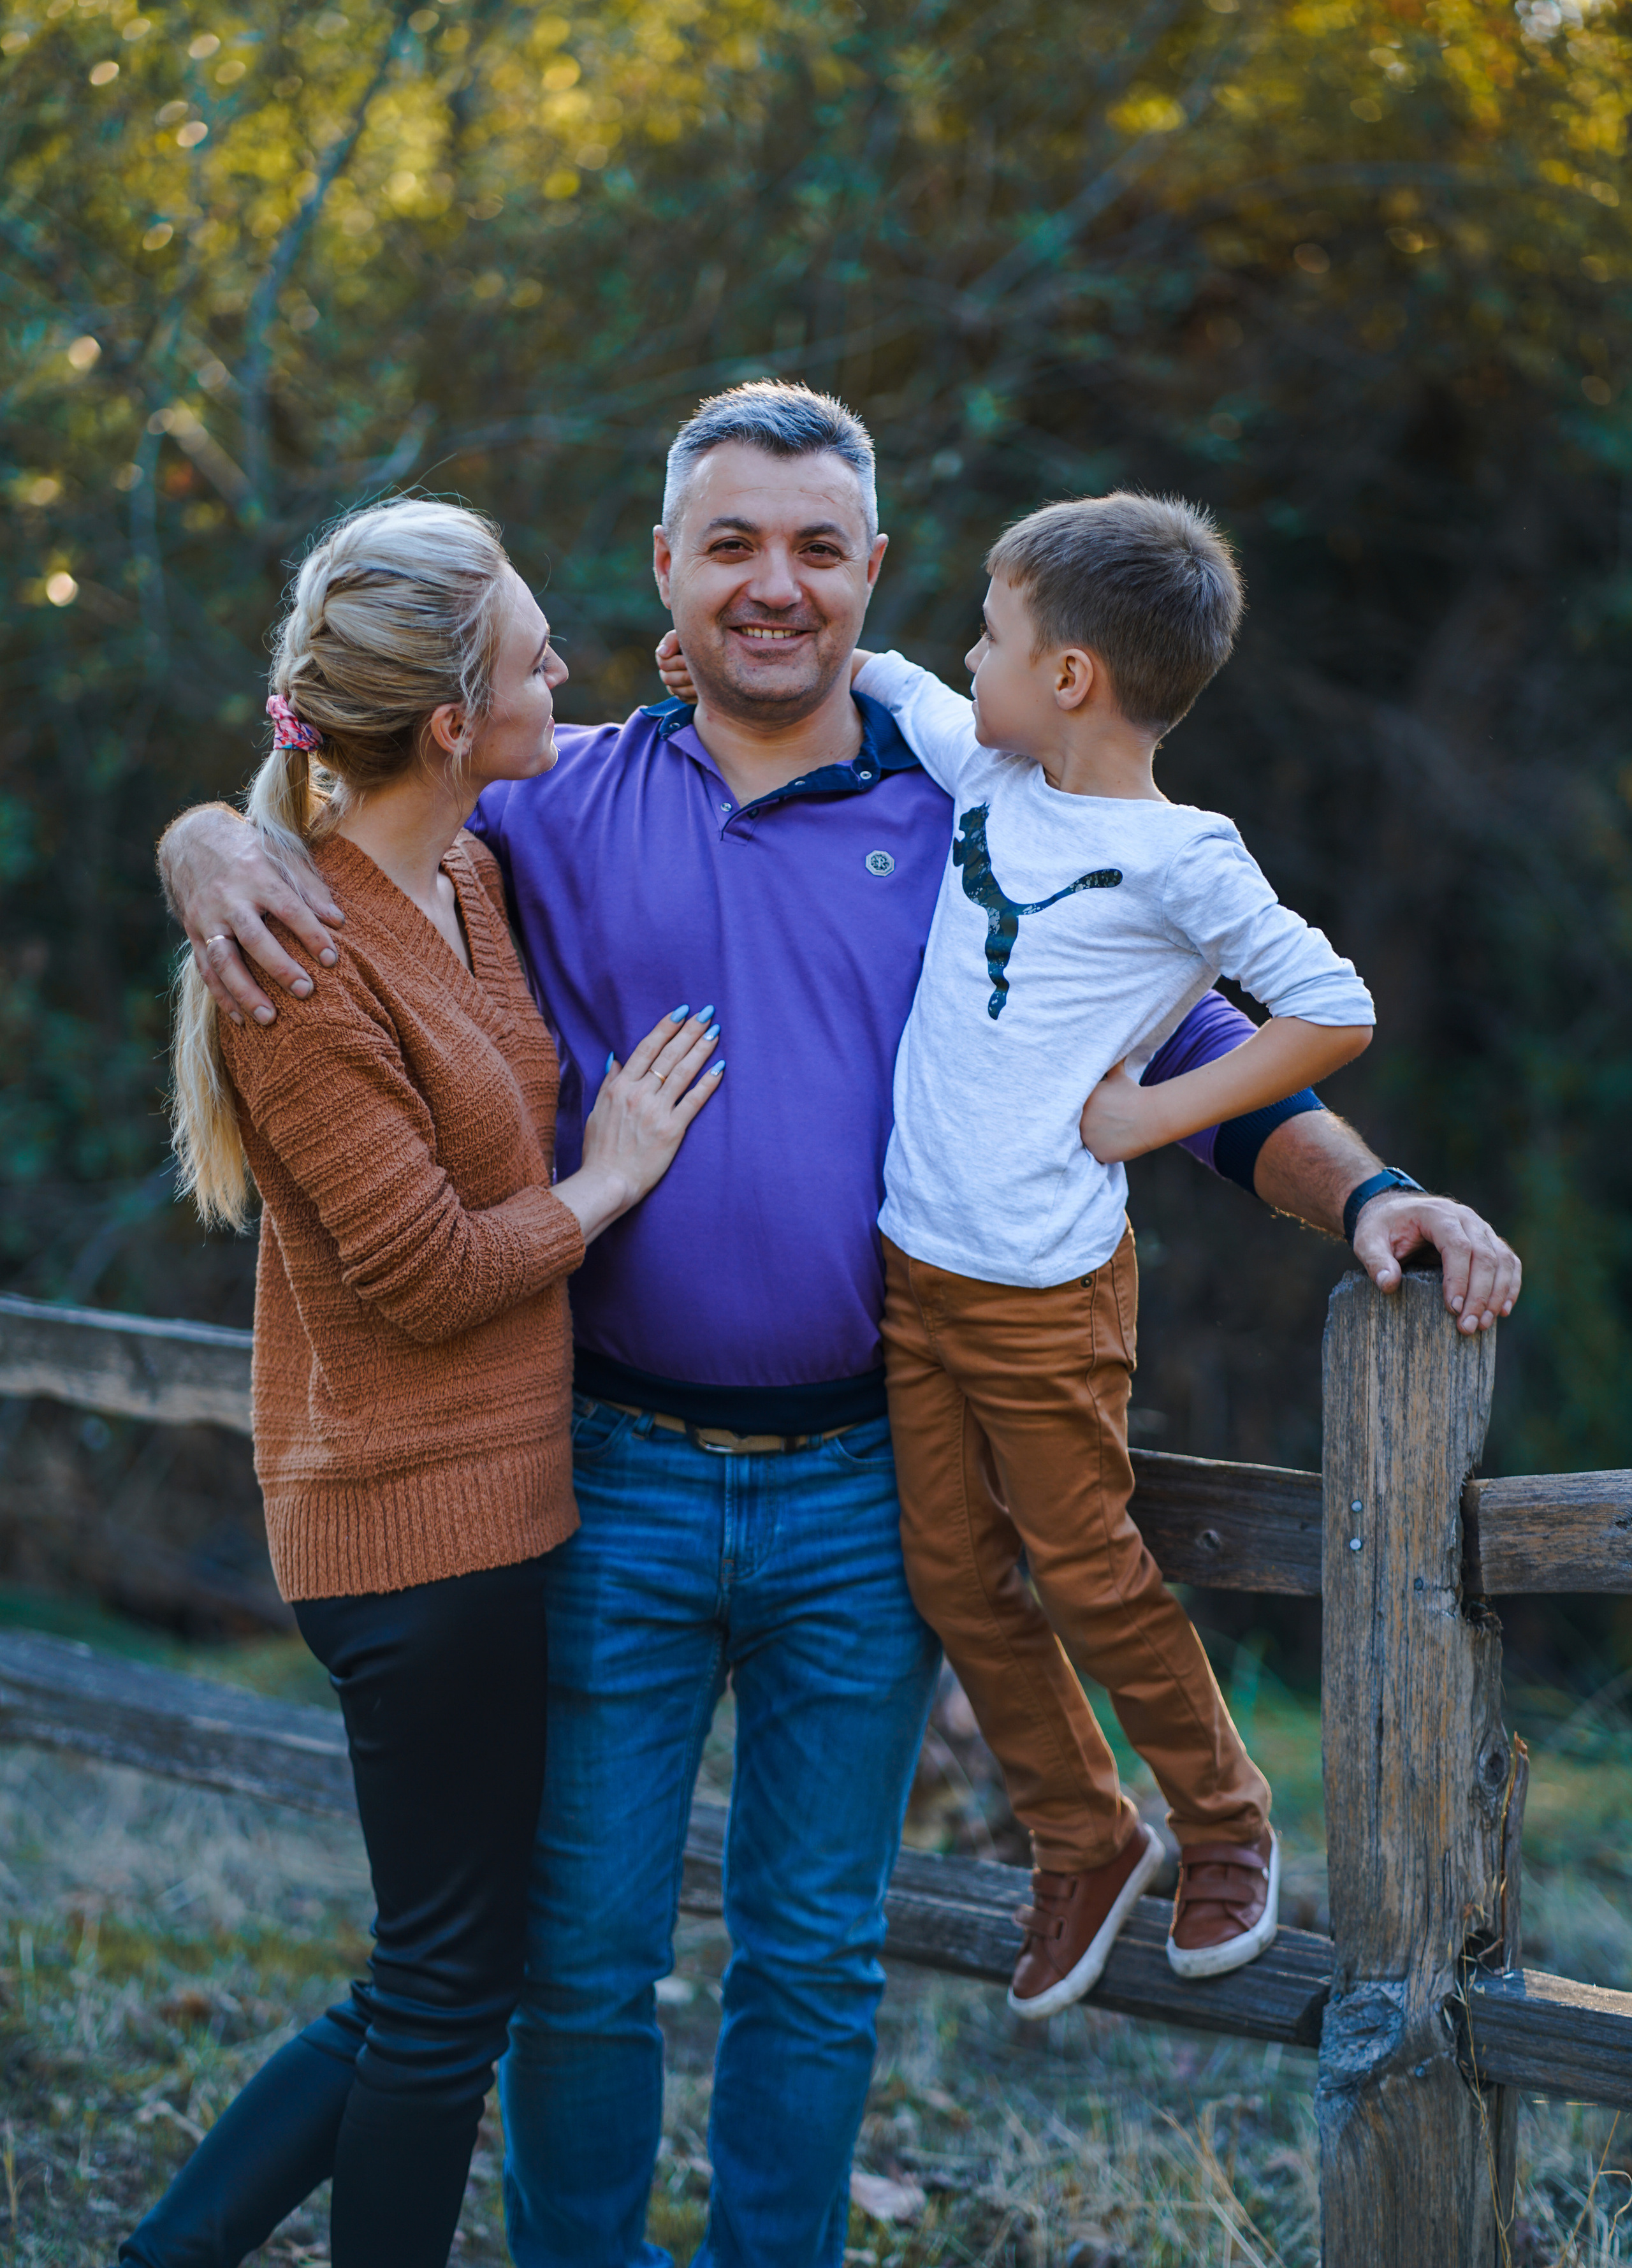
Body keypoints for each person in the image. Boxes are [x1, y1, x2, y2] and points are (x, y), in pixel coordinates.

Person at [160, 384, 1522, 2268]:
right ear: (665, 567)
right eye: (731, 541)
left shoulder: (984, 814)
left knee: (811, 1956)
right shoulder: (552, 805)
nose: (774, 584)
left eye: (818, 546)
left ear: (874, 573)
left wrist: (1374, 1191)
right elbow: (362, 791)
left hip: (871, 1488)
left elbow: (1205, 1045)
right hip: (611, 1475)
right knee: (582, 1955)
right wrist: (205, 841)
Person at [136, 498, 722, 2268]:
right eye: (537, 651)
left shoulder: (466, 863)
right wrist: (610, 1174)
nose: (572, 666)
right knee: (444, 1986)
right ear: (454, 721)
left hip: (494, 1511)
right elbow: (425, 1271)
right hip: (407, 1533)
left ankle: (164, 2253)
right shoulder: (295, 966)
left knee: (445, 1972)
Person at [838, 492, 1374, 2020]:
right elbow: (899, 686)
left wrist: (1148, 1115)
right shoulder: (989, 767)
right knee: (948, 1566)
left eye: (994, 632)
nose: (969, 656)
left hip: (1041, 1286)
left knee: (1084, 1560)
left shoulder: (1181, 856)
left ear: (1069, 673)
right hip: (914, 1267)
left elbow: (1331, 1006)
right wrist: (735, 657)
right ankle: (1084, 1828)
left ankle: (1223, 1819)